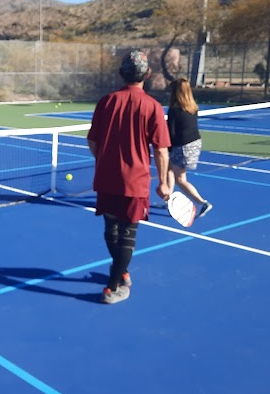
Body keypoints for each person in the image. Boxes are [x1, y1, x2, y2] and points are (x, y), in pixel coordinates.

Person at [87, 50, 171, 305]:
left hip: (107, 178)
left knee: (111, 229)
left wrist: (104, 160)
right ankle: (112, 287)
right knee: (127, 234)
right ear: (147, 74)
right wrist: (164, 182)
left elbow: (92, 141)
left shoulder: (106, 101)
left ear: (122, 73)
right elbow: (161, 150)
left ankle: (121, 272)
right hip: (135, 181)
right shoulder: (152, 107)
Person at [166, 78, 212, 218]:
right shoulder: (193, 108)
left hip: (183, 146)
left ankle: (202, 202)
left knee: (180, 179)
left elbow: (171, 133)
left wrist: (166, 149)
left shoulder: (174, 110)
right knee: (169, 168)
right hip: (195, 143)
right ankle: (168, 197)